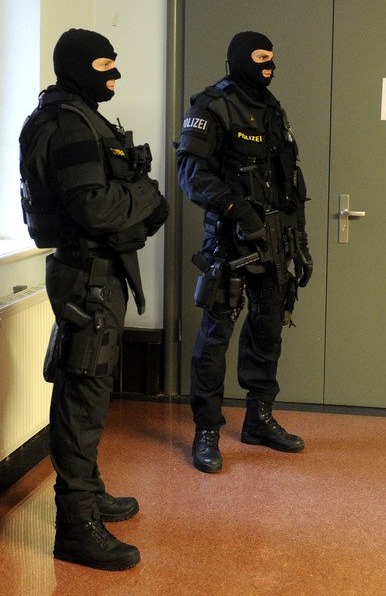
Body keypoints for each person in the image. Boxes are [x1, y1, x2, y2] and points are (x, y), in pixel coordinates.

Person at [18, 29, 168, 571]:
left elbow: (112, 205)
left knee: (90, 390)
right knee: (82, 396)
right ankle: (76, 526)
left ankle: (90, 492)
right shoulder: (67, 124)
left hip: (97, 272)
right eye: (105, 65)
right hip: (87, 274)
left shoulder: (83, 116)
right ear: (78, 67)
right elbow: (97, 210)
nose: (115, 75)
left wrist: (138, 207)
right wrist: (147, 193)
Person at [177, 31, 313, 474]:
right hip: (229, 242)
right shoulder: (212, 106)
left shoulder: (272, 108)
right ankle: (206, 430)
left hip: (275, 241)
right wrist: (239, 212)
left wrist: (300, 241)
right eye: (259, 58)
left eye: (272, 58)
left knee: (267, 331)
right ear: (239, 59)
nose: (268, 66)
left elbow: (290, 179)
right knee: (215, 338)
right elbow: (191, 174)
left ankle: (259, 419)